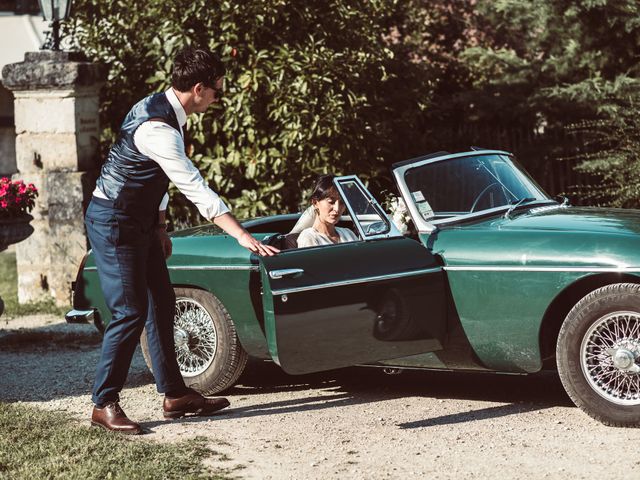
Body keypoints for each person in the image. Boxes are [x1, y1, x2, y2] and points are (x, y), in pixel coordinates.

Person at [85, 46, 279, 435]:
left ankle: (175, 395)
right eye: (217, 91)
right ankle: (103, 403)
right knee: (129, 311)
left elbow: (156, 178)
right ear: (198, 88)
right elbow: (193, 185)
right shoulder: (159, 128)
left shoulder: (169, 111)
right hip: (114, 222)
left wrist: (158, 227)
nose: (218, 98)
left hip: (140, 222)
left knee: (162, 300)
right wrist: (241, 234)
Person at [297, 174, 358, 247]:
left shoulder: (348, 233)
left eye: (342, 203)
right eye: (331, 202)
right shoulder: (309, 237)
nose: (337, 209)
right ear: (315, 203)